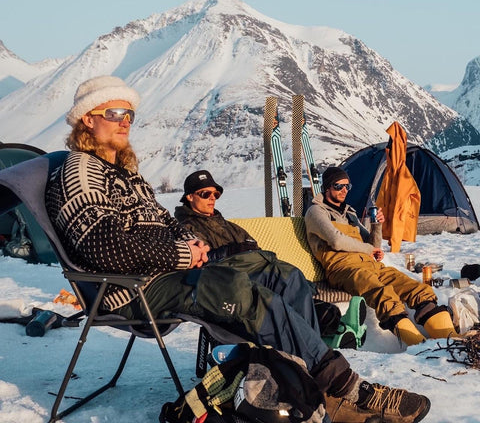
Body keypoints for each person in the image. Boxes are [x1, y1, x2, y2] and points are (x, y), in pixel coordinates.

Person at [45, 76, 431, 423]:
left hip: (168, 272)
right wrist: (184, 254)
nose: (124, 120)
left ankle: (309, 388)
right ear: (87, 120)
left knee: (286, 280)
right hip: (132, 288)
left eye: (129, 112)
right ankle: (346, 389)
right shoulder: (80, 171)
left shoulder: (125, 173)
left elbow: (164, 223)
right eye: (113, 112)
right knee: (245, 295)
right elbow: (103, 244)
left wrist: (189, 244)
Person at [174, 169, 366, 349]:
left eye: (215, 194)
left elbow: (252, 244)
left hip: (254, 268)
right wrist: (230, 250)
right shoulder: (185, 228)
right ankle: (319, 343)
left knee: (293, 278)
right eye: (205, 194)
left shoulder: (225, 224)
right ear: (190, 197)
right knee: (290, 282)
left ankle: (326, 332)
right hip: (229, 279)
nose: (212, 199)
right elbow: (198, 261)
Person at [305, 166, 459, 346]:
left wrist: (376, 225)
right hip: (343, 268)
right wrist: (367, 250)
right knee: (384, 296)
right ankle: (419, 346)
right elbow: (336, 241)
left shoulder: (350, 214)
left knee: (417, 289)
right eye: (338, 186)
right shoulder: (316, 212)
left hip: (370, 265)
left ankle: (450, 338)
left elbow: (373, 247)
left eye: (347, 186)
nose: (344, 191)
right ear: (327, 187)